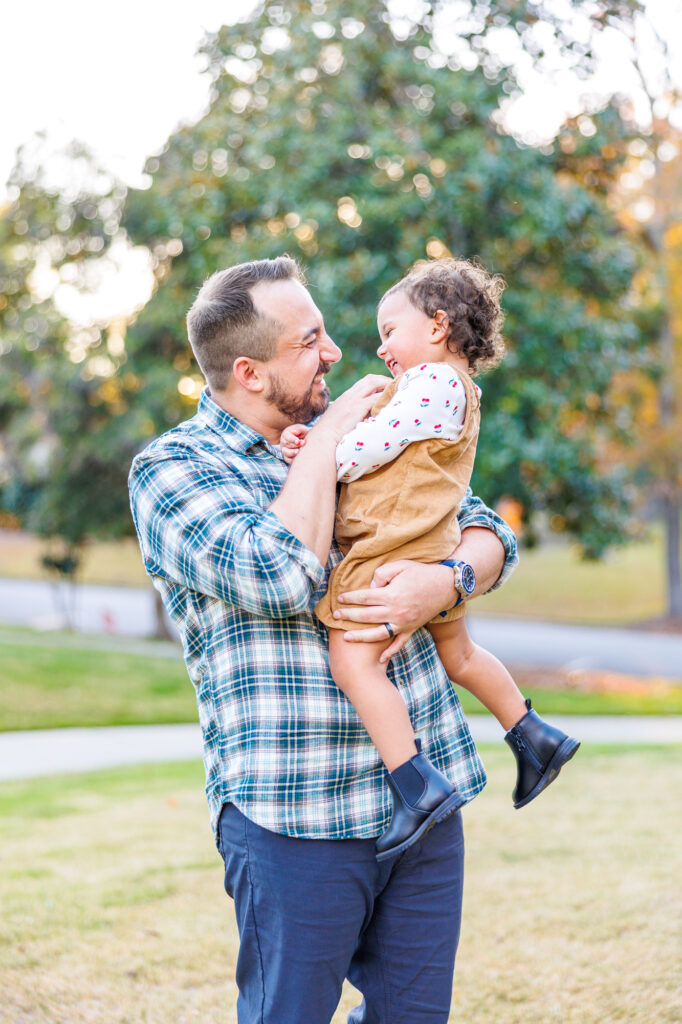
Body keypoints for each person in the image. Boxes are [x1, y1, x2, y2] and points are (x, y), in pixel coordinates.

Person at [128, 256, 518, 1024]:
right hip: (294, 820)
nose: (336, 353)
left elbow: (486, 531)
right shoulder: (176, 471)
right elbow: (280, 575)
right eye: (309, 341)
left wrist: (446, 582)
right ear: (249, 372)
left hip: (423, 807)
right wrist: (331, 437)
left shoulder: (373, 424)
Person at [281, 257, 579, 861]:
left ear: (438, 326)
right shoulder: (439, 388)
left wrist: (318, 453)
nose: (381, 346)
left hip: (394, 546)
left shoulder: (435, 383)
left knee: (353, 663)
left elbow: (373, 445)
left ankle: (416, 786)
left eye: (390, 330)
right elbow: (385, 433)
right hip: (430, 543)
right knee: (459, 654)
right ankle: (533, 736)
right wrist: (313, 438)